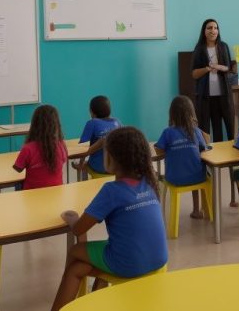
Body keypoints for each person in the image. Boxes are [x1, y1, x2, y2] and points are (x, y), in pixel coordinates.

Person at [51, 127, 168, 311]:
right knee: (94, 257)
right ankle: (97, 300)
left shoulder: (111, 190)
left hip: (129, 265)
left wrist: (72, 218)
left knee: (75, 255)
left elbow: (78, 229)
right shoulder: (150, 183)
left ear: (111, 159)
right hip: (159, 261)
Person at [155, 96, 210, 219]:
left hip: (174, 177)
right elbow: (205, 145)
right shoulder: (195, 131)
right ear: (191, 113)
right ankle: (197, 210)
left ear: (172, 114)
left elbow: (158, 151)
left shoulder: (168, 132)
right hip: (197, 177)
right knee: (197, 170)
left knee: (187, 168)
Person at [191, 18, 237, 142]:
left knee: (229, 126)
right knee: (206, 129)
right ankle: (209, 156)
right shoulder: (199, 48)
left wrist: (217, 66)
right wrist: (207, 68)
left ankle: (231, 155)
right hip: (206, 97)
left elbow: (227, 67)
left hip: (223, 95)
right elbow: (194, 74)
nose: (213, 30)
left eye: (215, 28)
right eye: (210, 28)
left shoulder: (223, 46)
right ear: (204, 31)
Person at [13, 104, 67, 190]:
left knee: (17, 184)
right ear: (56, 124)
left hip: (32, 195)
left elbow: (17, 168)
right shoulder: (61, 145)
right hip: (57, 193)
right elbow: (63, 161)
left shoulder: (28, 148)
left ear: (34, 124)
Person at [74, 96, 121, 177]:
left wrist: (81, 163)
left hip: (99, 168)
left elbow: (82, 149)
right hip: (116, 167)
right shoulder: (117, 122)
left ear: (91, 112)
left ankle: (85, 187)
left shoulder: (92, 123)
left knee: (83, 165)